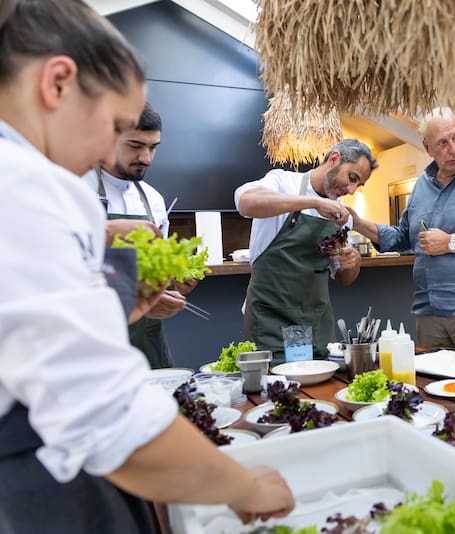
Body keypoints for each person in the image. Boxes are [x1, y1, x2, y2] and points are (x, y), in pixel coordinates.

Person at [0, 1, 294, 532]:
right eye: (114, 125)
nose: (106, 151)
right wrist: (244, 485)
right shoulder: (24, 183)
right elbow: (109, 421)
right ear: (58, 83)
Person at [349, 107, 455, 357]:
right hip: (429, 314)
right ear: (427, 147)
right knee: (433, 392)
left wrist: (451, 242)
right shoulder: (422, 186)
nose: (453, 149)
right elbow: (401, 237)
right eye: (442, 143)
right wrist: (356, 223)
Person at [235, 139, 378, 362]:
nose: (351, 190)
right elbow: (245, 202)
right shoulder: (283, 182)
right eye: (352, 178)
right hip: (269, 321)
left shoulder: (342, 216)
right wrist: (312, 203)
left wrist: (352, 264)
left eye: (358, 185)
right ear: (334, 159)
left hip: (317, 326)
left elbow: (343, 278)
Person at [84, 101, 189, 369]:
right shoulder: (78, 187)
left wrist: (176, 286)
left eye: (153, 147)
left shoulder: (153, 200)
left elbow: (158, 279)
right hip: (93, 346)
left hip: (148, 342)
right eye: (135, 145)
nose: (146, 157)